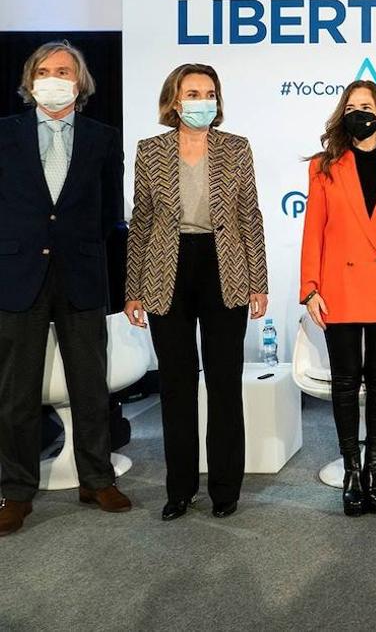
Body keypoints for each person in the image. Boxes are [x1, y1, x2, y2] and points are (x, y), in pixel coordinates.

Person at [124, 63, 268, 521]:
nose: (201, 101)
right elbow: (141, 223)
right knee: (177, 385)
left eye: (209, 93)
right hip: (166, 272)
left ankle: (226, 489)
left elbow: (250, 217)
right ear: (174, 99)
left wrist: (259, 282)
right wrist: (133, 289)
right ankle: (180, 489)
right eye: (192, 93)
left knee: (225, 383)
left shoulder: (236, 148)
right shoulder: (150, 151)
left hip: (225, 269)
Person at [0, 40, 131, 537]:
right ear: (31, 80)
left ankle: (96, 478)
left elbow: (107, 214)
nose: (55, 78)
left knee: (90, 386)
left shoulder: (102, 137)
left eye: (65, 71)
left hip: (81, 273)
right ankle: (15, 491)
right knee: (15, 392)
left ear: (81, 83)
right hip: (16, 276)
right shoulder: (5, 134)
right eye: (46, 70)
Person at [300, 80, 376, 517]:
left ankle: (375, 470)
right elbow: (312, 230)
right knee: (344, 382)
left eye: (366, 106)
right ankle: (352, 472)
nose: (358, 112)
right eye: (350, 106)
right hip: (339, 287)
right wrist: (309, 288)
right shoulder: (324, 166)